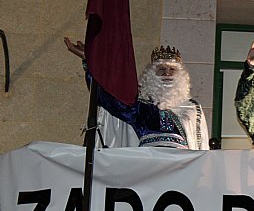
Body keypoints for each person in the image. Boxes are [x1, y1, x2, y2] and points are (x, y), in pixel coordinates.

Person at [64, 38, 209, 150]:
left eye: (172, 70)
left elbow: (201, 145)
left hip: (182, 165)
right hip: (147, 162)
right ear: (151, 76)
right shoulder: (140, 106)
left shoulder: (192, 108)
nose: (167, 74)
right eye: (161, 70)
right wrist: (89, 63)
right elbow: (107, 99)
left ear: (180, 76)